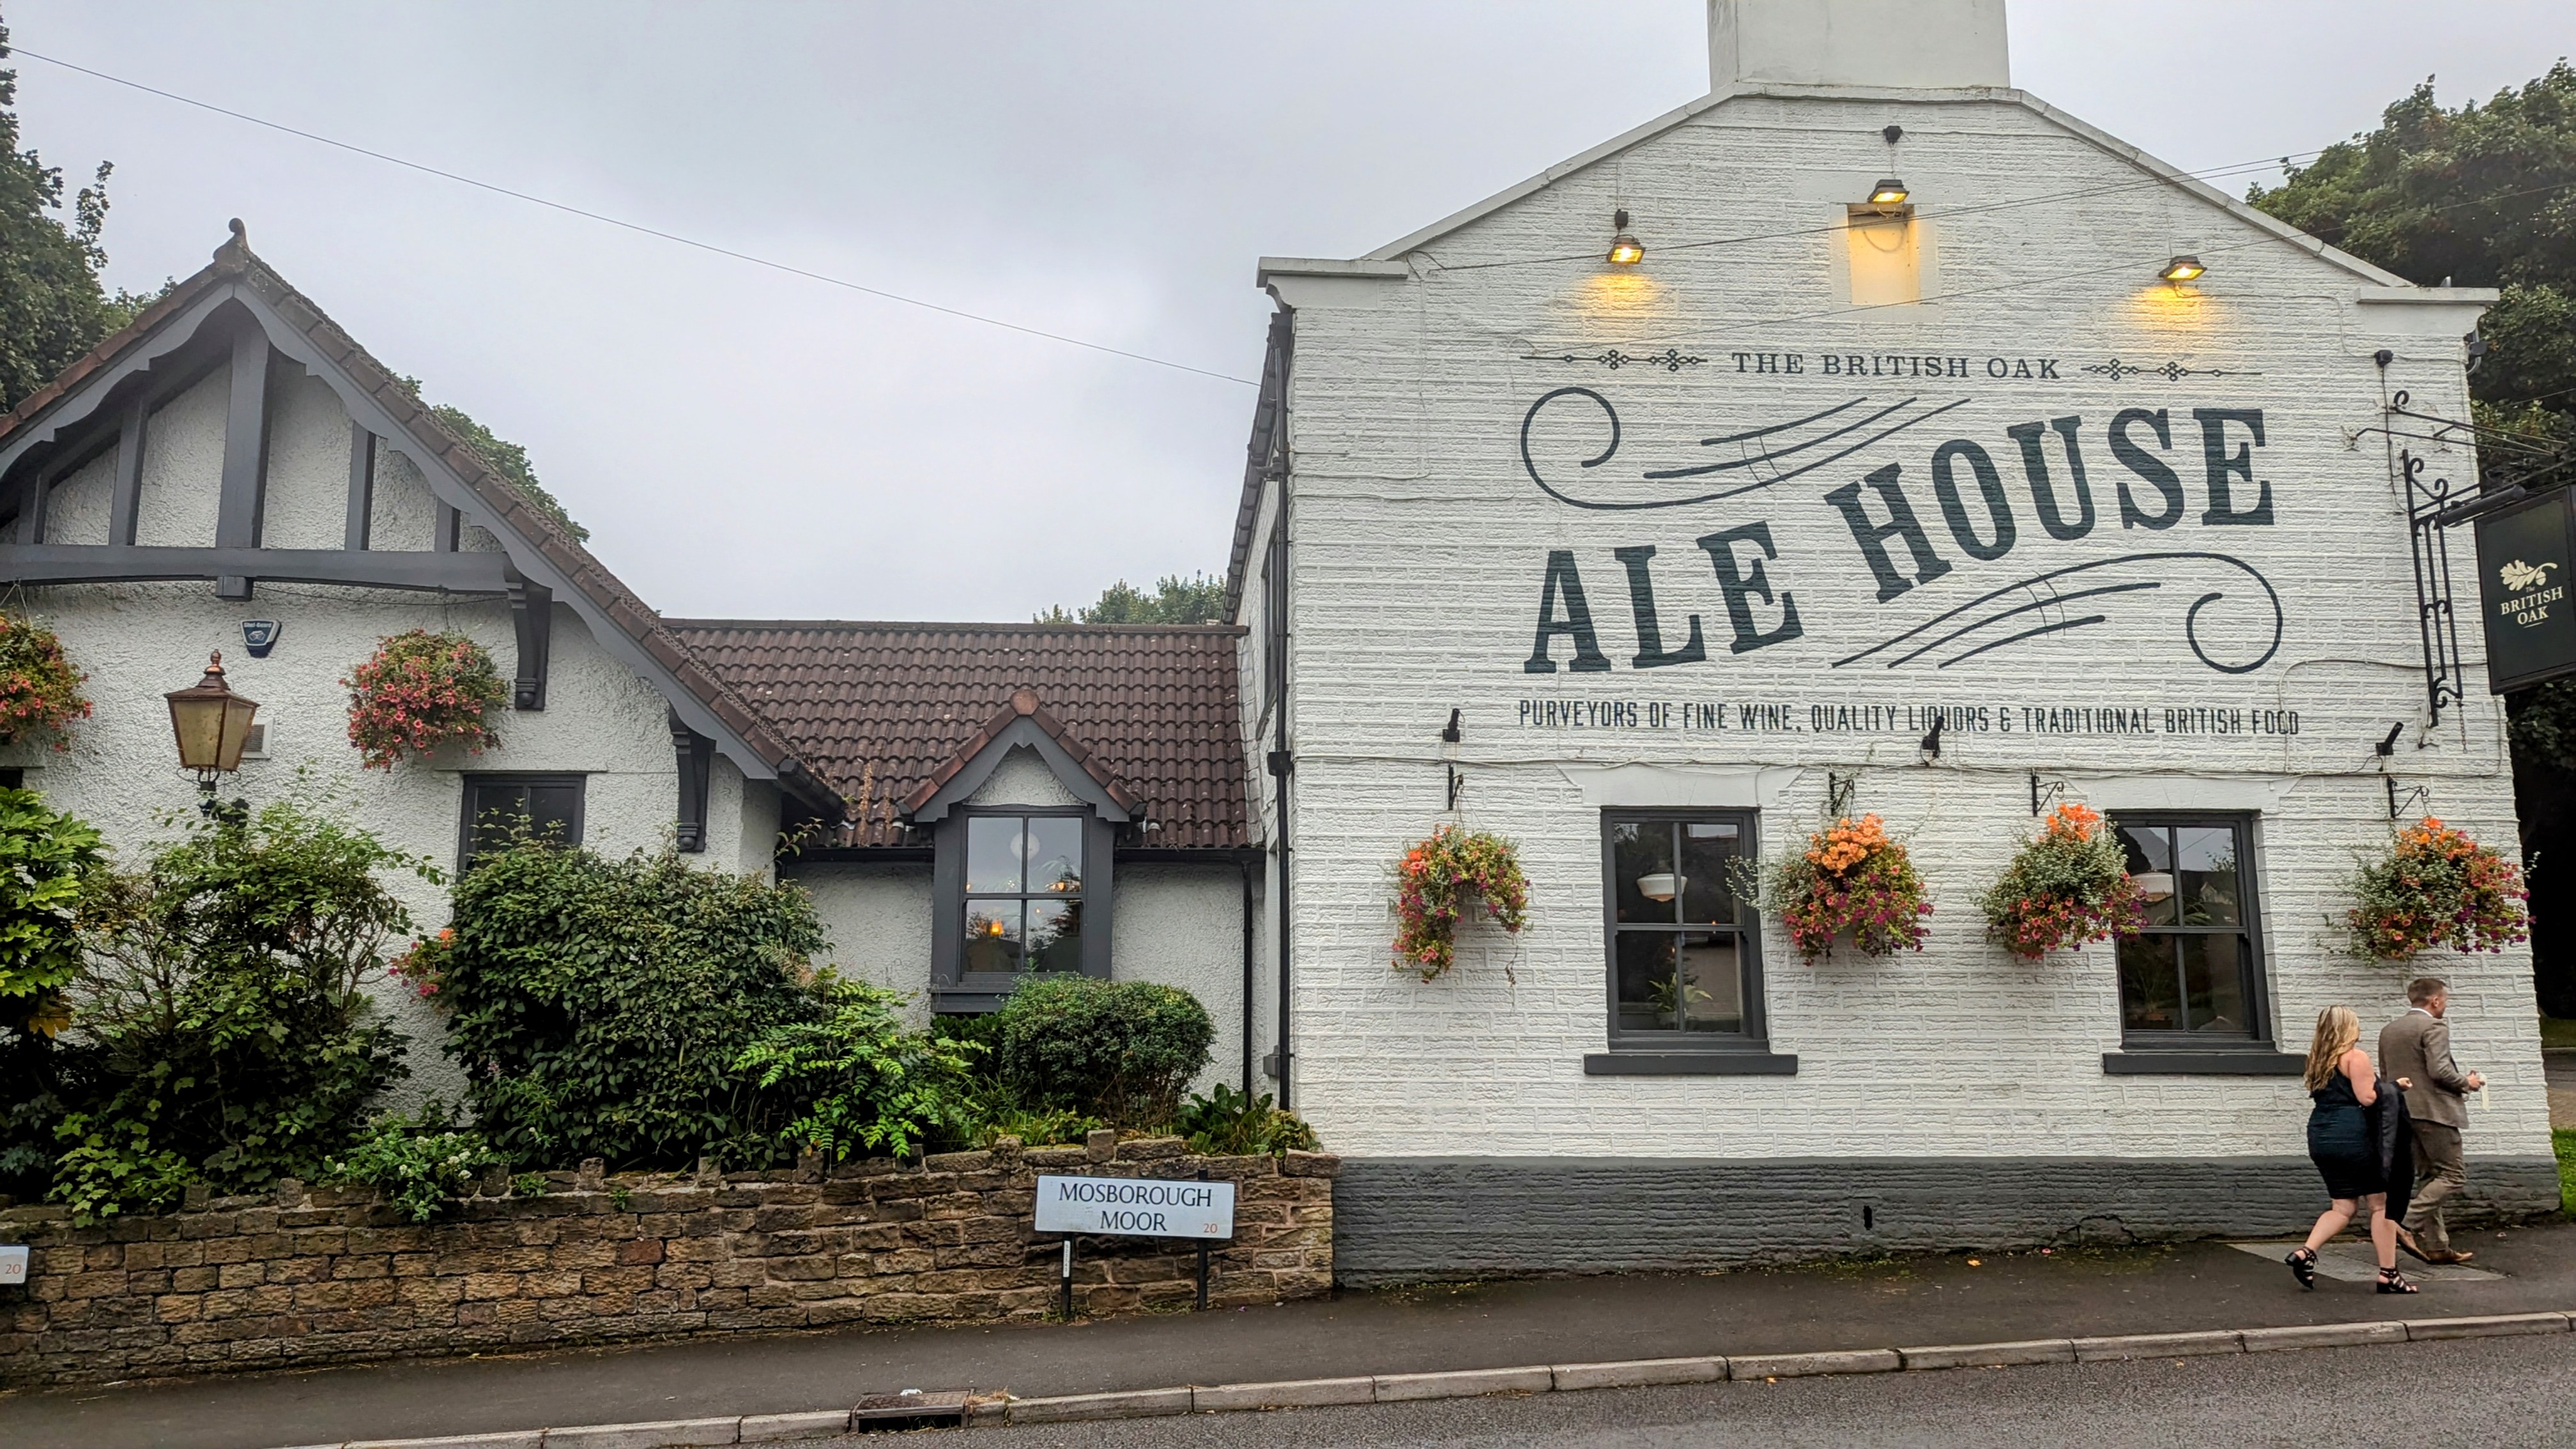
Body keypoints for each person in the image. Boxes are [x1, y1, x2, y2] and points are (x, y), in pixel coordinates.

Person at [2288, 1006, 2417, 1294]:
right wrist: (2396, 1087)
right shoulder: (2355, 1057)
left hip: (2321, 1135)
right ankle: (2388, 1275)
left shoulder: (2318, 1060)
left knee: (2343, 1206)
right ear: (2349, 1028)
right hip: (2353, 1135)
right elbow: (2368, 1098)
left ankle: (2305, 1253)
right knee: (2381, 1204)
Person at [2380, 977, 2485, 1265]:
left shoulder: (2390, 1030)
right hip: (2435, 1112)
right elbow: (2439, 1071)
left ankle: (2438, 1246)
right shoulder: (2434, 1026)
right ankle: (2403, 1223)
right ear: (2435, 1000)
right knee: (2453, 1175)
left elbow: (2387, 1075)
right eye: (2445, 999)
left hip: (2405, 1111)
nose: (2445, 1005)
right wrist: (2467, 1082)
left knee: (2428, 1177)